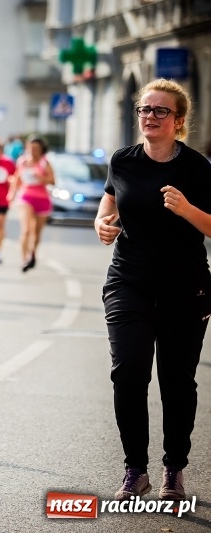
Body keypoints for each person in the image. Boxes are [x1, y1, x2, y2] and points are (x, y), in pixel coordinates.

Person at [95, 78, 211, 502]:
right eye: (145, 109)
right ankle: (135, 468)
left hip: (186, 287)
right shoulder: (122, 161)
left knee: (177, 382)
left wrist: (186, 209)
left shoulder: (198, 168)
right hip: (129, 281)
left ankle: (174, 469)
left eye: (161, 111)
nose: (150, 116)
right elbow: (110, 200)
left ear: (178, 121)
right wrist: (101, 223)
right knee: (128, 372)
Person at [7, 136, 54, 272]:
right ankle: (24, 259)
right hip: (25, 197)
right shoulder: (22, 162)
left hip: (42, 199)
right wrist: (11, 194)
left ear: (41, 150)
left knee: (36, 232)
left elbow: (52, 180)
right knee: (26, 229)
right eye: (30, 148)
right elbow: (17, 178)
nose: (33, 151)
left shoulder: (45, 162)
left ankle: (32, 252)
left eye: (36, 149)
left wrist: (42, 178)